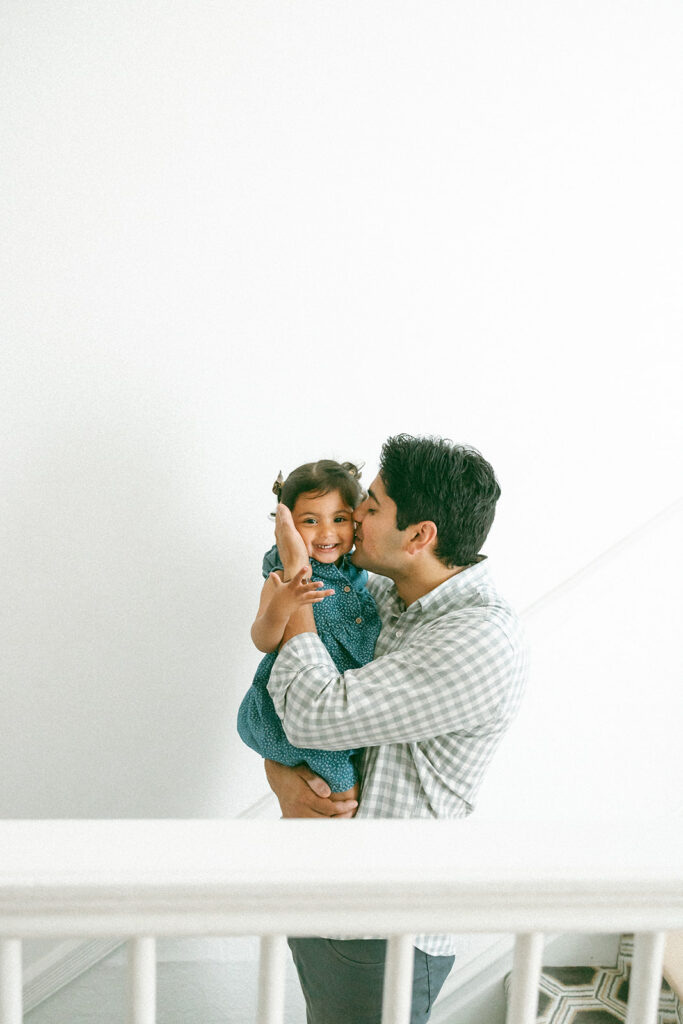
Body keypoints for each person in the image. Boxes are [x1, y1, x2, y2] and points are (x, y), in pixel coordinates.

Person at [264, 434, 529, 1024]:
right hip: (329, 898)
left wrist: (296, 576)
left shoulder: (478, 639)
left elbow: (315, 711)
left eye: (373, 506)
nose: (355, 513)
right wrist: (281, 775)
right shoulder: (385, 595)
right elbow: (280, 698)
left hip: (383, 924)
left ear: (419, 536)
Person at [237, 459, 382, 809]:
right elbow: (262, 638)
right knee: (342, 790)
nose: (327, 532)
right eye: (310, 521)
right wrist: (284, 604)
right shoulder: (283, 575)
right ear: (287, 528)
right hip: (295, 710)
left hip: (342, 700)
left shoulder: (359, 572)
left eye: (339, 519)